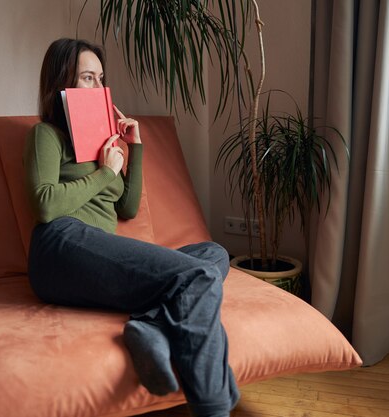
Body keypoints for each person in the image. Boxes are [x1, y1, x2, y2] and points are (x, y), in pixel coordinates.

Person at [23, 38, 239, 417]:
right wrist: (105, 170)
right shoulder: (46, 135)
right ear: (62, 85)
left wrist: (133, 148)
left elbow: (126, 207)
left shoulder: (103, 141)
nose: (99, 87)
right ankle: (215, 409)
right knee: (199, 277)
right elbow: (45, 205)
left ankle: (151, 325)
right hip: (59, 247)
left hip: (98, 250)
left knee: (213, 255)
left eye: (100, 78)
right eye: (87, 78)